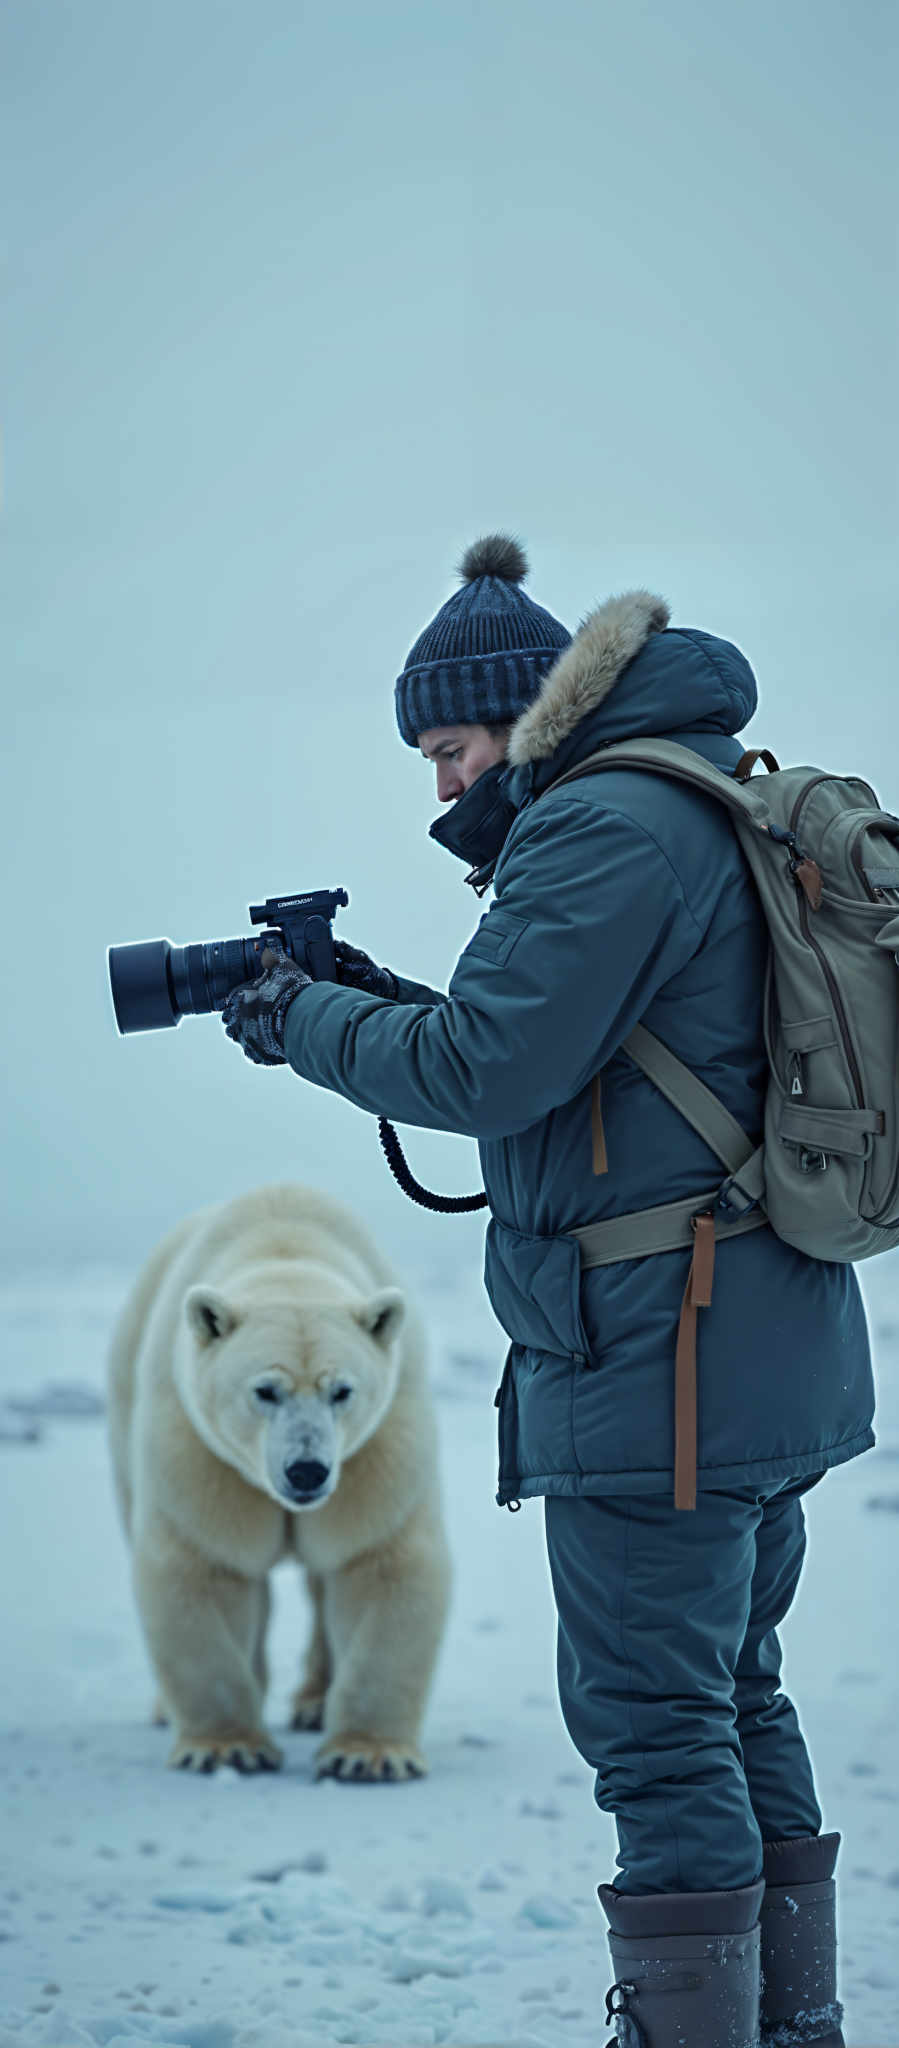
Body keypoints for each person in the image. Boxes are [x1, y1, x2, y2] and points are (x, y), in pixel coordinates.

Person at [221, 533, 874, 2048]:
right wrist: (368, 996)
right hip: (750, 1342)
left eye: (450, 750)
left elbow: (487, 1068)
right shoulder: (687, 797)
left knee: (658, 1733)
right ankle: (791, 2028)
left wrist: (296, 1016)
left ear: (525, 715)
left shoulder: (601, 826)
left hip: (665, 1365)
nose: (443, 787)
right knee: (734, 1702)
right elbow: (567, 1059)